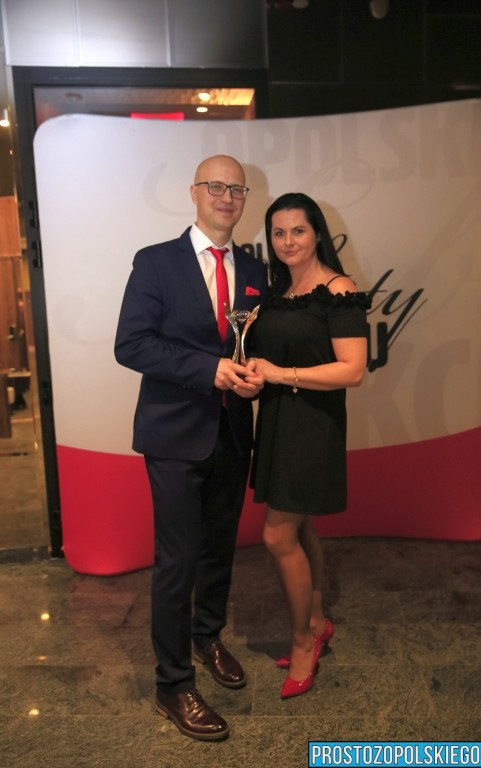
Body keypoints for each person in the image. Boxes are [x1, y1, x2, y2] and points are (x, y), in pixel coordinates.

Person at [114, 155, 267, 741]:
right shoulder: (156, 261)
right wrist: (209, 370)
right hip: (175, 435)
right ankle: (173, 683)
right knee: (177, 561)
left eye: (237, 189)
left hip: (233, 430)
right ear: (195, 193)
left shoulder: (254, 269)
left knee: (219, 549)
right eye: (216, 186)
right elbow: (131, 344)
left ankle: (208, 637)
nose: (226, 196)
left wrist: (254, 374)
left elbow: (253, 342)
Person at [244, 192, 370, 699]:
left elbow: (353, 370)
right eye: (278, 232)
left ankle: (303, 642)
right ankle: (317, 621)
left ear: (317, 233)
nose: (287, 241)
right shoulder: (279, 291)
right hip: (278, 420)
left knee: (278, 536)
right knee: (301, 526)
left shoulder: (338, 289)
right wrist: (257, 374)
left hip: (313, 426)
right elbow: (272, 357)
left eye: (298, 230)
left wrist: (280, 373)